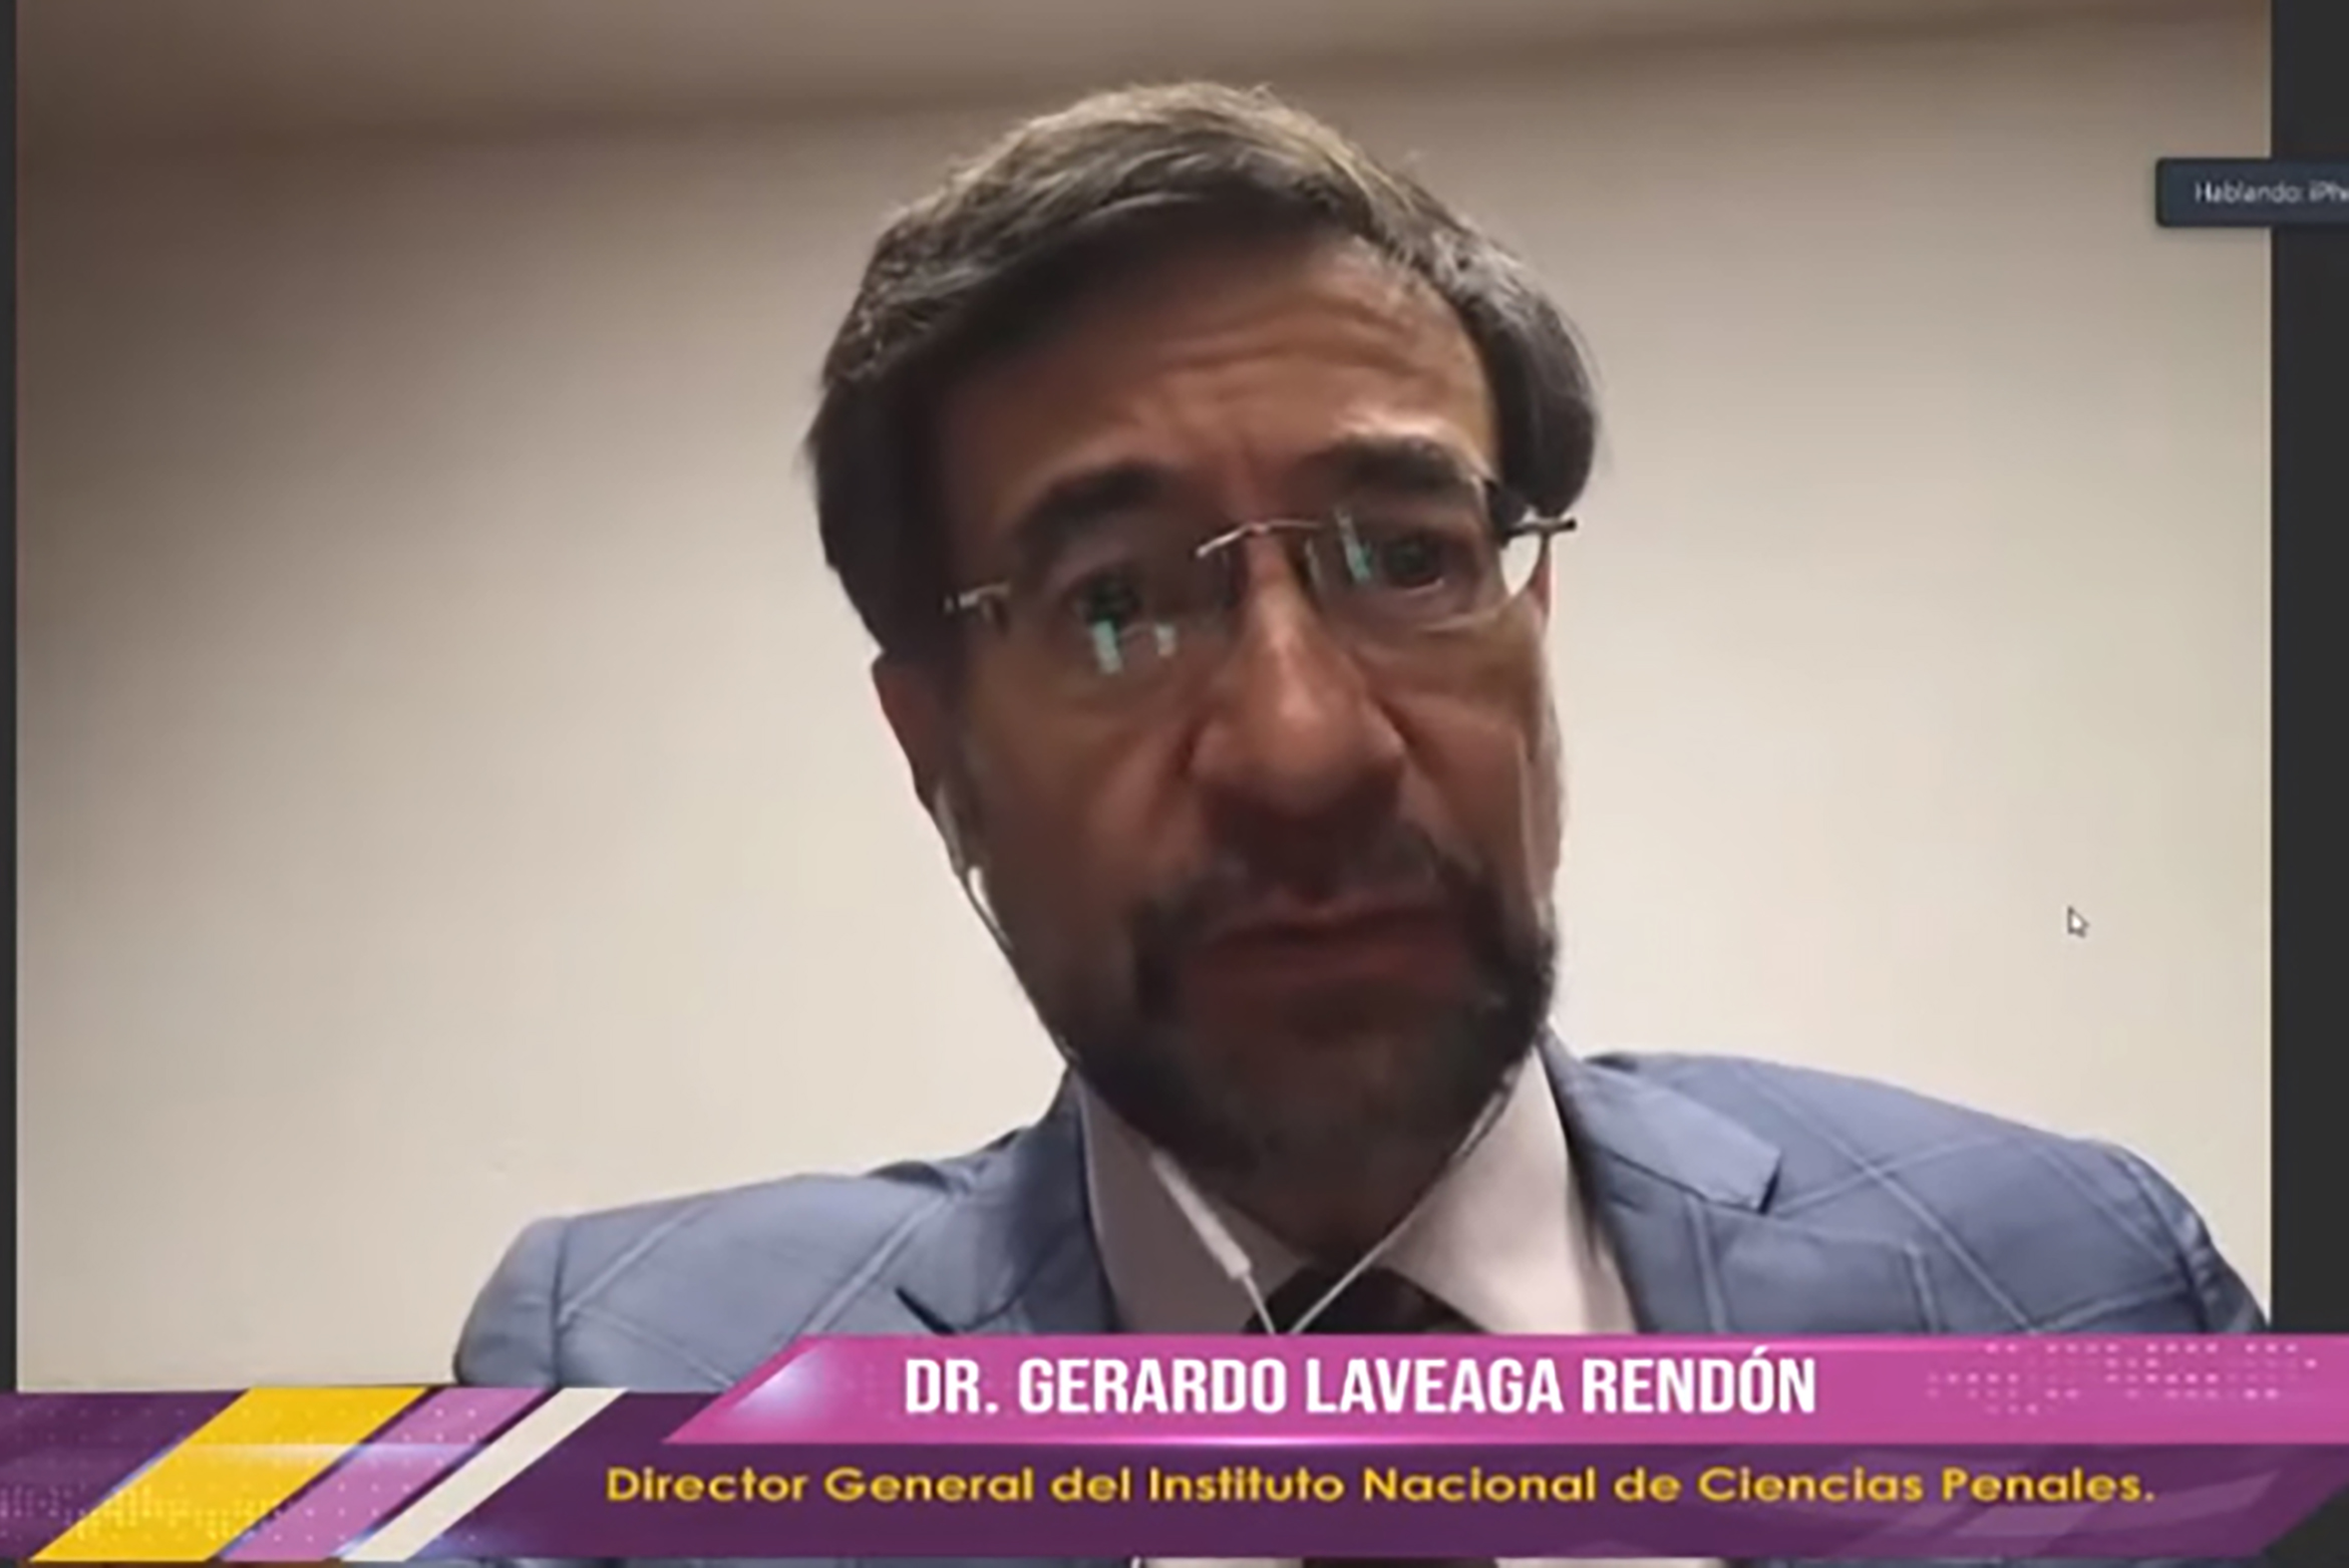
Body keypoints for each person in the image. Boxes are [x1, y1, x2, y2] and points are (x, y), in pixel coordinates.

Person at [456, 83, 2263, 1568]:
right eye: (1111, 601)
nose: (1304, 748)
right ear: (940, 755)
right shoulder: (625, 1384)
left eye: (1408, 557)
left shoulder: (2076, 1283)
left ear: (1532, 629)